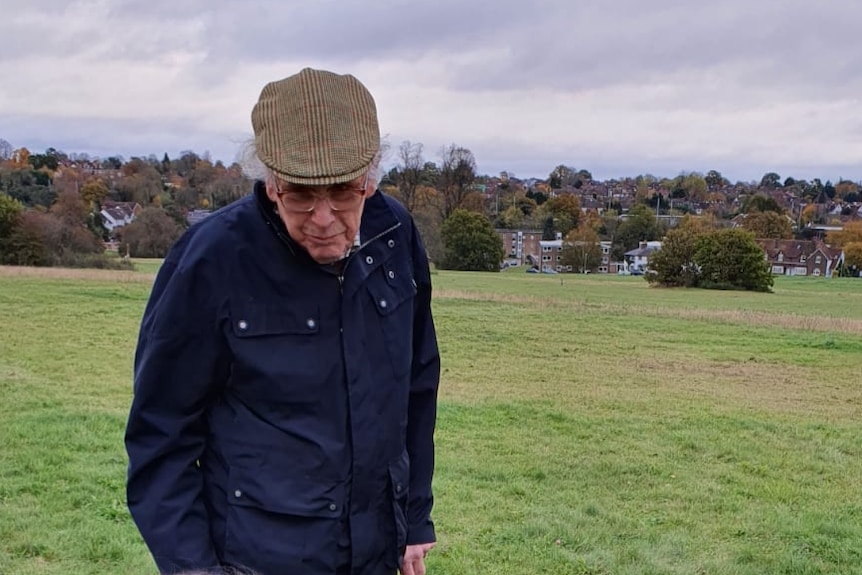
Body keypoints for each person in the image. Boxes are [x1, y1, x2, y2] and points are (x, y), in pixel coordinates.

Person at [125, 68, 441, 575]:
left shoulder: (394, 235)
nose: (322, 218)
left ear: (371, 176)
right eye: (299, 193)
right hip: (259, 556)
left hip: (377, 548)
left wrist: (415, 517)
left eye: (342, 192)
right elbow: (161, 433)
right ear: (270, 182)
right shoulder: (212, 258)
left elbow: (417, 384)